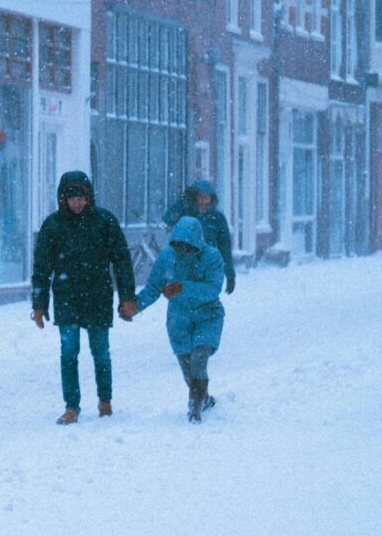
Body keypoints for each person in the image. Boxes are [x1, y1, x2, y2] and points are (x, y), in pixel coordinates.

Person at [31, 171, 136, 424]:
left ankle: (105, 400)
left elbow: (122, 261)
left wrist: (127, 297)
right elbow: (42, 268)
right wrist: (39, 303)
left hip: (98, 297)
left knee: (100, 351)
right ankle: (72, 406)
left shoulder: (105, 222)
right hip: (67, 299)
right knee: (69, 352)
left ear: (89, 197)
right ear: (63, 199)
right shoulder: (53, 226)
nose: (77, 203)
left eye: (81, 198)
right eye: (72, 198)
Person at [124, 216, 225, 424]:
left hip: (208, 316)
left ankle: (194, 405)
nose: (182, 251)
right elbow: (153, 287)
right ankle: (202, 397)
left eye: (187, 247)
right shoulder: (167, 257)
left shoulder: (212, 257)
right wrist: (136, 306)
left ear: (196, 243)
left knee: (199, 360)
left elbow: (213, 290)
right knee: (188, 369)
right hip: (179, 319)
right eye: (178, 246)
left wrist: (183, 287)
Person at [162, 180, 236, 295]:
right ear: (193, 198)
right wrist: (183, 201)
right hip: (184, 268)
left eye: (206, 198)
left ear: (212, 199)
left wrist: (230, 274)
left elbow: (225, 247)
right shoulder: (185, 213)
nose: (203, 201)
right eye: (200, 197)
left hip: (208, 269)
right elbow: (168, 218)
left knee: (206, 303)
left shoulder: (217, 218)